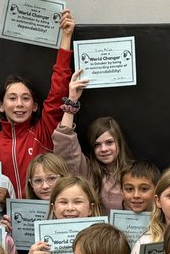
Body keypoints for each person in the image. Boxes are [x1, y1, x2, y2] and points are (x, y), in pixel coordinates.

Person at [0, 9, 76, 192]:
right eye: (12, 98)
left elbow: (58, 92)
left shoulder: (43, 132)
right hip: (6, 218)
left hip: (43, 215)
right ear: (1, 105)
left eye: (25, 98)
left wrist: (66, 37)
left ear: (35, 106)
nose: (19, 104)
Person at [53, 73, 133, 211]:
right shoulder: (87, 171)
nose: (103, 149)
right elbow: (64, 142)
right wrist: (72, 100)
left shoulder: (135, 173)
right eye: (97, 145)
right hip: (93, 232)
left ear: (119, 142)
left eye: (109, 142)